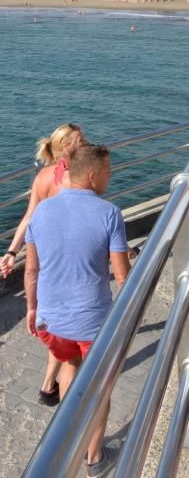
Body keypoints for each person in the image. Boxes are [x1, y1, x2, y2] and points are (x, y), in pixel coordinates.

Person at [24, 144, 130, 477]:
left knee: (69, 363)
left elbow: (31, 271)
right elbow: (122, 276)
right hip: (92, 323)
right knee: (100, 391)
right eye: (108, 172)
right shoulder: (109, 213)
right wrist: (130, 316)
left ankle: (70, 433)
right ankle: (94, 457)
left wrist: (31, 310)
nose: (110, 177)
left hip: (50, 323)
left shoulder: (42, 212)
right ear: (93, 175)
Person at [1, 123, 87, 405]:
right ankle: (60, 388)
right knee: (69, 327)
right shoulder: (78, 179)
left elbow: (28, 217)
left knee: (62, 325)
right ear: (65, 148)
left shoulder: (43, 176)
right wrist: (12, 252)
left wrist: (12, 252)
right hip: (71, 263)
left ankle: (49, 385)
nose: (85, 143)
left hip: (53, 260)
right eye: (80, 140)